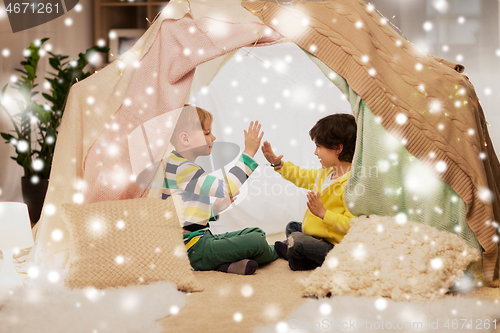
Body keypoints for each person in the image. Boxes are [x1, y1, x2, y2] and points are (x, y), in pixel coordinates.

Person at [164, 104, 278, 275]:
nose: (214, 137)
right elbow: (226, 187)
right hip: (192, 249)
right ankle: (281, 250)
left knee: (255, 232)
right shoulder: (181, 169)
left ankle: (225, 264)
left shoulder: (178, 164)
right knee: (256, 241)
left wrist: (214, 209)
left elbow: (183, 214)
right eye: (207, 133)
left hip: (201, 239)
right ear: (185, 139)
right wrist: (248, 153)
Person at [261, 113, 357, 270]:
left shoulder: (351, 185)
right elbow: (301, 175)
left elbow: (352, 225)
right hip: (317, 234)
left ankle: (300, 257)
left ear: (338, 148)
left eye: (319, 147)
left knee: (298, 240)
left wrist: (324, 213)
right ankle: (295, 251)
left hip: (334, 245)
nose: (315, 152)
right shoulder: (326, 172)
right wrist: (278, 164)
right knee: (292, 227)